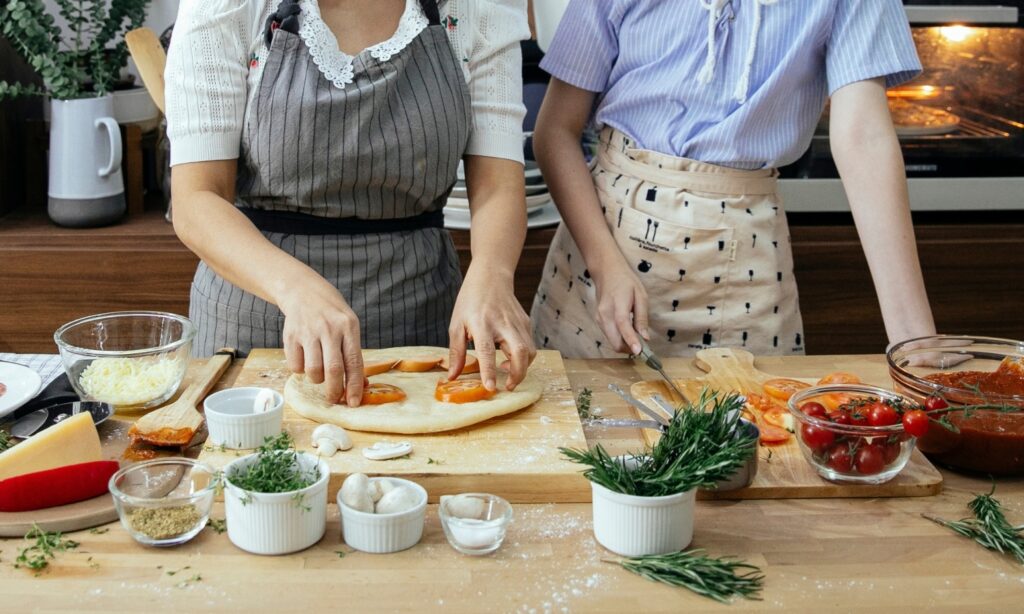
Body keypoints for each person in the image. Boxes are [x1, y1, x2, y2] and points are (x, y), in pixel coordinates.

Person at [166, 0, 536, 406]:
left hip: (418, 324)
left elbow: (497, 184)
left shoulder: (476, 10)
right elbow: (196, 197)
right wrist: (295, 288)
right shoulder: (229, 7)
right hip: (256, 330)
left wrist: (493, 273)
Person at [530, 0, 937, 358]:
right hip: (602, 250)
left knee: (757, 436)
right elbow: (555, 133)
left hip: (748, 260)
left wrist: (914, 340)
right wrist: (605, 268)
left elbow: (863, 139)